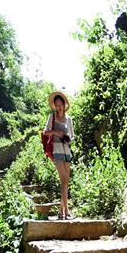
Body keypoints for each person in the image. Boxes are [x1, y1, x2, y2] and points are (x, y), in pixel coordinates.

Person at [43, 91, 74, 219]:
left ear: (64, 104)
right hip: (56, 150)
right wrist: (57, 132)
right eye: (56, 105)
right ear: (54, 106)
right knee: (64, 179)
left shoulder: (69, 119)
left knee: (66, 181)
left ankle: (61, 211)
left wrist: (67, 137)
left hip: (67, 151)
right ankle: (67, 211)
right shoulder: (52, 117)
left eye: (60, 104)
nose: (59, 107)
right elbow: (45, 132)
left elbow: (72, 136)